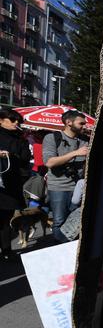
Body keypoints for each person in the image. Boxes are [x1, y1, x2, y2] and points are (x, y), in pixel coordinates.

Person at [43, 110, 89, 243]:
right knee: (59, 221)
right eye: (81, 123)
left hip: (79, 187)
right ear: (69, 122)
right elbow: (49, 162)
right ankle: (60, 247)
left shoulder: (85, 140)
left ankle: (73, 247)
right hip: (59, 187)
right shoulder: (52, 138)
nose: (84, 126)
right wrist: (75, 153)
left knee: (77, 219)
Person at [0, 108, 31, 260]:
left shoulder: (20, 139)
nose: (16, 123)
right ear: (1, 120)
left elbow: (25, 160)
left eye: (18, 120)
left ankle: (6, 251)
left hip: (10, 185)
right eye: (12, 120)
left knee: (6, 220)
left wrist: (12, 155)